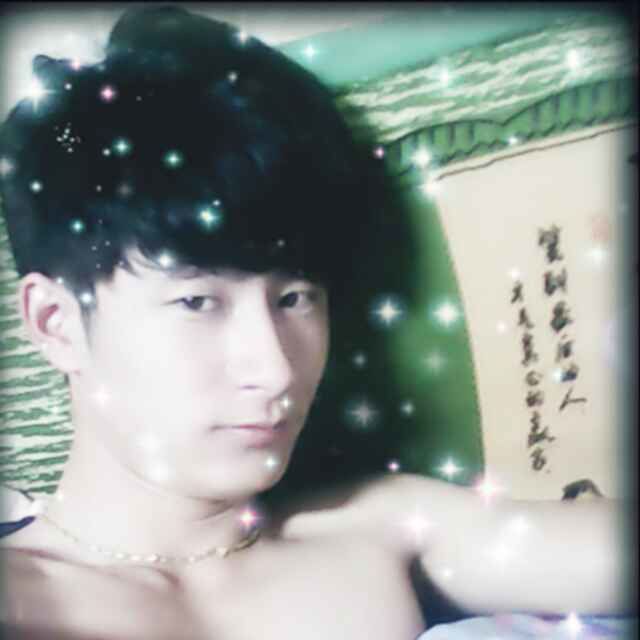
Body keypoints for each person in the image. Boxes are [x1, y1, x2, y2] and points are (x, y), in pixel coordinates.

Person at [0, 6, 633, 639]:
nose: (276, 369)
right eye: (197, 302)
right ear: (56, 323)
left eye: (295, 298)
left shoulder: (381, 530)